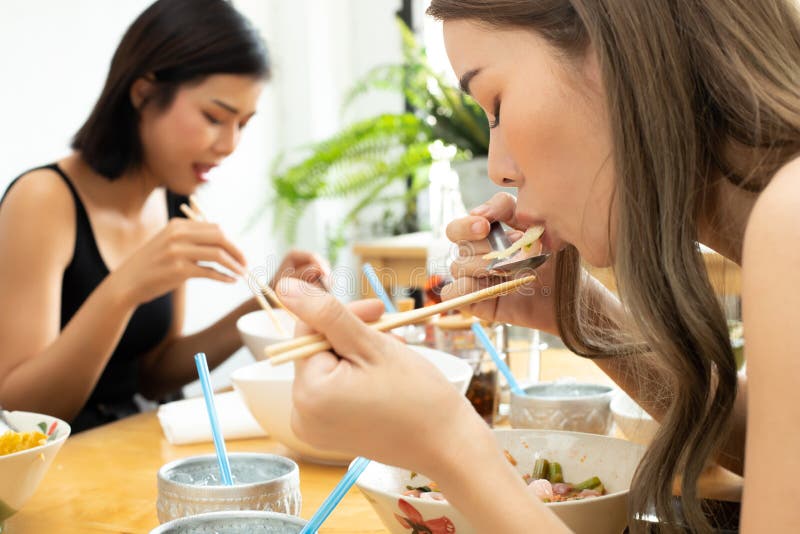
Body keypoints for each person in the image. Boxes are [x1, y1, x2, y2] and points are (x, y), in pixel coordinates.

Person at [278, 1, 800, 532]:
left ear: (614, 51)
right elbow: (774, 445)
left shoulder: (791, 216)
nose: (500, 169)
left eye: (497, 106)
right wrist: (577, 315)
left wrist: (449, 443)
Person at [0, 0, 328, 433]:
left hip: (131, 443)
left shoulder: (175, 200)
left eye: (243, 124)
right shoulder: (43, 199)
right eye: (215, 117)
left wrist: (266, 301)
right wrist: (124, 289)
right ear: (143, 94)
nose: (230, 144)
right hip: (59, 465)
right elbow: (21, 412)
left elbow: (154, 375)